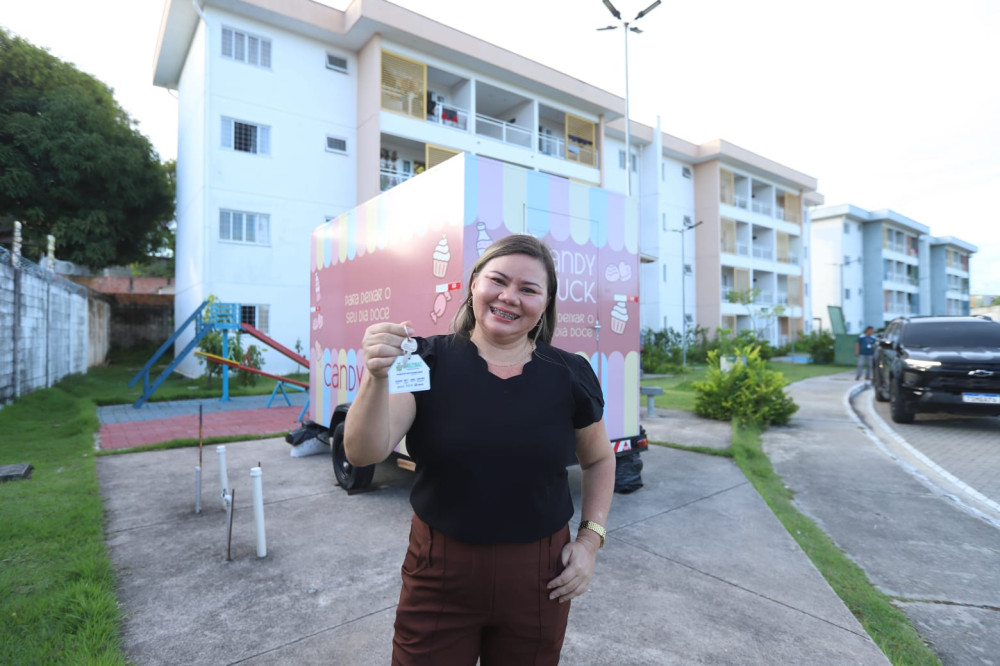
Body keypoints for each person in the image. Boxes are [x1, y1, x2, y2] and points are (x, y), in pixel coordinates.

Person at [345, 234, 615, 665]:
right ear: (474, 284)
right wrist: (375, 378)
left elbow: (599, 459)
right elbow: (363, 453)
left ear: (546, 303)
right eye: (498, 280)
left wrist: (589, 541)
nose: (509, 297)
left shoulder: (569, 374)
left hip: (541, 577)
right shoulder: (425, 361)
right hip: (439, 571)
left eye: (528, 289)